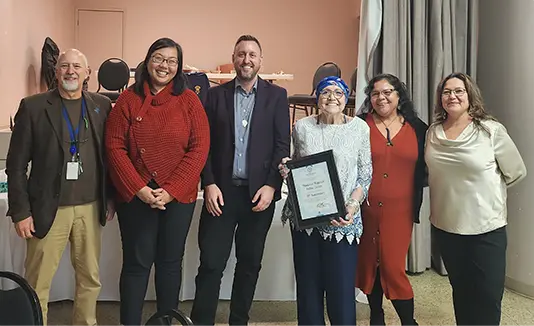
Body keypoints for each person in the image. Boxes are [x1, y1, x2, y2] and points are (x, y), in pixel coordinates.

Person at [105, 37, 210, 326]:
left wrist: (172, 190)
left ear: (179, 67)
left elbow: (199, 148)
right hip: (136, 196)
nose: (165, 65)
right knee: (136, 266)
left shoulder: (190, 101)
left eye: (172, 61)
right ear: (147, 61)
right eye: (159, 58)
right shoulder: (127, 99)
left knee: (169, 265)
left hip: (177, 199)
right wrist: (139, 189)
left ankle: (166, 321)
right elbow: (114, 147)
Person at [6, 48, 115, 326]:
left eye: (77, 67)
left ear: (87, 73)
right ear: (56, 72)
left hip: (90, 208)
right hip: (46, 209)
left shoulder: (102, 106)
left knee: (90, 279)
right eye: (65, 66)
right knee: (37, 282)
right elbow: (16, 165)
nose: (71, 71)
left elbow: (109, 157)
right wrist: (20, 211)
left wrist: (110, 199)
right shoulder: (33, 107)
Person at [190, 34, 290, 326]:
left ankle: (239, 321)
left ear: (260, 60)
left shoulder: (277, 96)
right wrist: (208, 183)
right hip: (220, 193)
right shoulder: (213, 95)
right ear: (233, 59)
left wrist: (272, 185)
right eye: (241, 54)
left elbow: (281, 145)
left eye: (252, 55)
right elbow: (202, 144)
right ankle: (202, 321)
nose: (246, 60)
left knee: (249, 265)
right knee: (211, 264)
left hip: (259, 195)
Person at [425, 72, 527, 326]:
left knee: (487, 296)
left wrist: (484, 196)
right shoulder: (432, 132)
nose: (452, 96)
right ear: (441, 98)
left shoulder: (490, 131)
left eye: (459, 91)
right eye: (447, 92)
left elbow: (516, 172)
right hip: (447, 227)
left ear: (470, 95)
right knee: (462, 292)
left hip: (485, 229)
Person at [279, 76, 372, 326]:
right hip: (307, 221)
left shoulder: (360, 128)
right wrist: (287, 170)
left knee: (341, 291)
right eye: (325, 92)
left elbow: (365, 173)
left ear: (347, 97)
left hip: (344, 220)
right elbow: (294, 164)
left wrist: (351, 207)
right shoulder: (302, 127)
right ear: (317, 98)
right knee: (308, 289)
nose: (332, 97)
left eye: (338, 93)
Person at [355, 74, 427, 326]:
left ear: (398, 96)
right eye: (375, 93)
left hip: (401, 211)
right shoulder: (359, 125)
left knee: (392, 267)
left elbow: (429, 168)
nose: (381, 98)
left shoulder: (419, 128)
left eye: (387, 92)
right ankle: (376, 316)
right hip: (364, 209)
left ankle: (409, 322)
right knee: (369, 264)